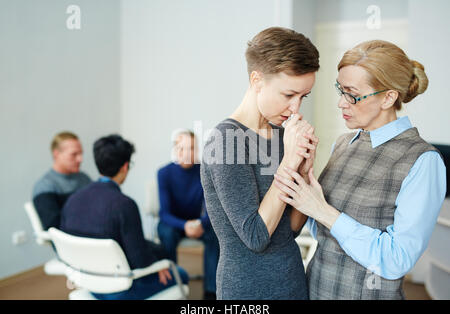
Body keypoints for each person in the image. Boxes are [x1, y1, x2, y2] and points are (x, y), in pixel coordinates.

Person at [273, 40, 447, 299]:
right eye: (340, 90)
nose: (342, 103)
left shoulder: (422, 160)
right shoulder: (344, 143)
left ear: (388, 97)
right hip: (316, 290)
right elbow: (323, 232)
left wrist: (323, 210)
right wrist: (304, 173)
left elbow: (396, 259)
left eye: (352, 94)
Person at [200, 27, 320, 299]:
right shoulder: (225, 141)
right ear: (257, 80)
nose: (296, 109)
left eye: (303, 97)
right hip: (247, 290)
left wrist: (304, 171)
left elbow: (290, 229)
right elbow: (256, 237)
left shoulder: (281, 135)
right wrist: (289, 161)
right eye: (288, 95)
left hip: (291, 282)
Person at [60, 134, 189, 300]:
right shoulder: (124, 205)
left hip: (87, 284)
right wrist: (158, 265)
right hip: (120, 290)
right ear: (125, 166)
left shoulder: (73, 200)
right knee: (180, 274)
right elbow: (139, 260)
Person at [157, 130, 219, 300]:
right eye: (182, 148)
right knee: (166, 233)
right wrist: (185, 226)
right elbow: (164, 213)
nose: (187, 153)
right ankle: (172, 284)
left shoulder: (205, 171)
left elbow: (212, 208)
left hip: (197, 223)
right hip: (173, 223)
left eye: (192, 148)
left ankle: (210, 291)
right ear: (175, 150)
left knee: (215, 232)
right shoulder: (164, 173)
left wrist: (201, 224)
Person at [32, 131, 91, 230]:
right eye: (74, 154)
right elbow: (53, 225)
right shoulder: (45, 186)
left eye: (81, 153)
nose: (80, 159)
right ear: (56, 154)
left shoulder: (83, 178)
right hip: (68, 241)